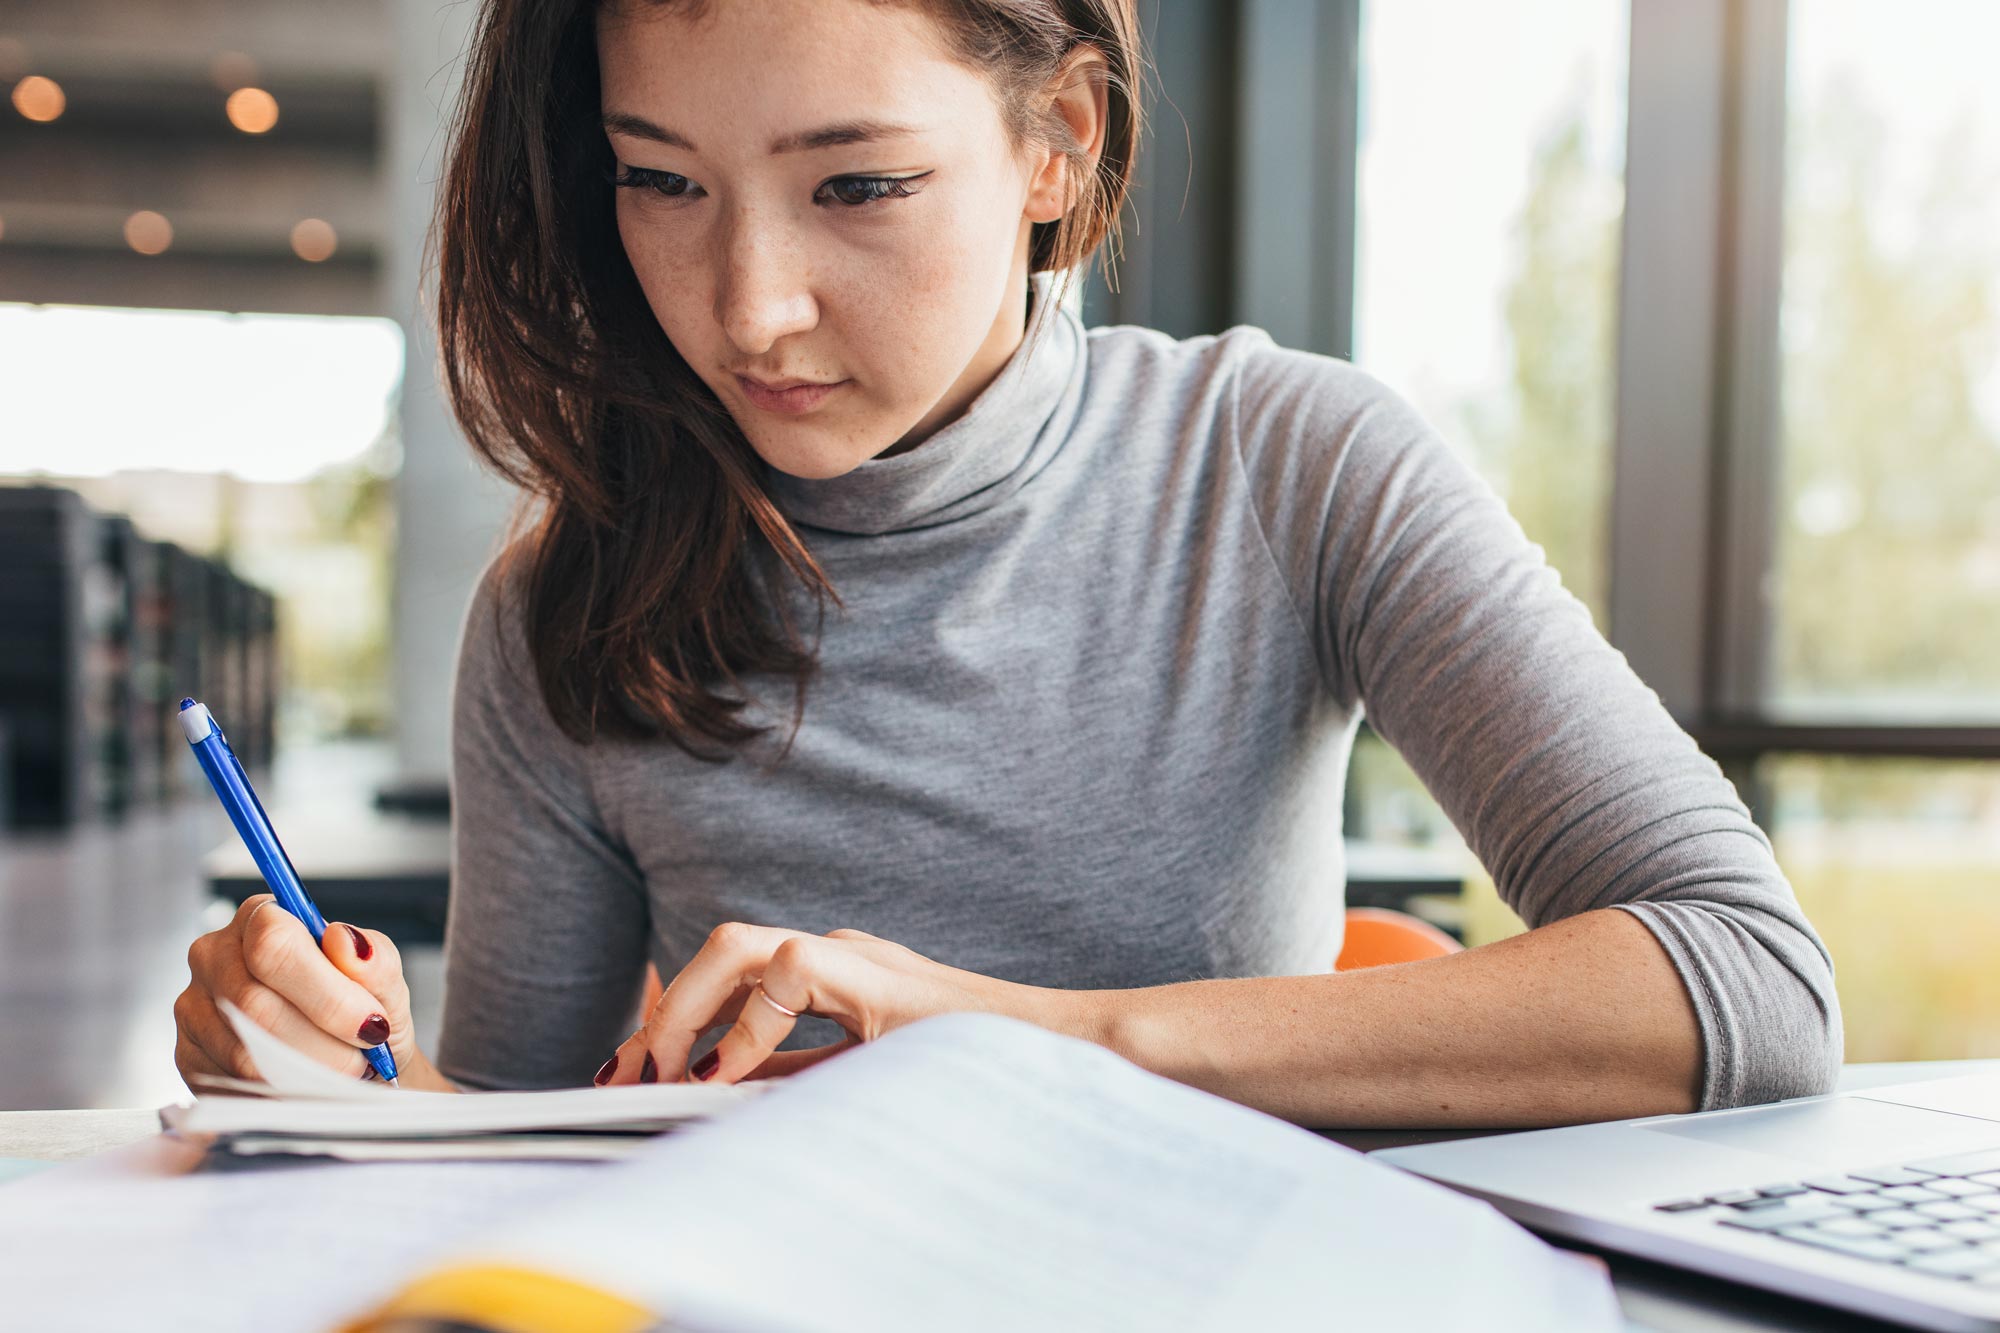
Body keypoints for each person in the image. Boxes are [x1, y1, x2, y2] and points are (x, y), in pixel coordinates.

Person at [173, 0, 1843, 1126]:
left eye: (858, 184)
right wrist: (328, 1076)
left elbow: (1751, 984)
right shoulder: (562, 605)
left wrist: (1022, 1036)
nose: (747, 305)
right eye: (659, 181)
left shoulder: (1285, 466)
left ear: (1058, 144)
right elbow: (514, 1146)